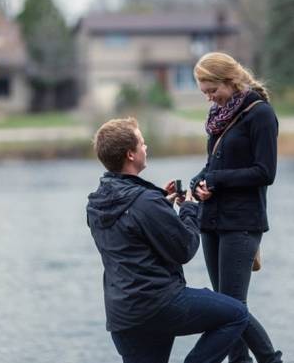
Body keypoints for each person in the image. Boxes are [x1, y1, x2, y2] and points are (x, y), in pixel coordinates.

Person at [86, 117, 249, 363]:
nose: (146, 147)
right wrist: (189, 208)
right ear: (131, 154)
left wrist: (163, 203)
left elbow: (133, 231)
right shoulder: (145, 202)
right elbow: (184, 248)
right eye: (141, 143)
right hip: (159, 305)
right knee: (236, 314)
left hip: (123, 316)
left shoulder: (96, 203)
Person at [190, 52, 283, 363]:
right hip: (211, 220)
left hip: (242, 223)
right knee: (223, 308)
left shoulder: (260, 114)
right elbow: (212, 165)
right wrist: (199, 182)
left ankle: (271, 360)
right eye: (204, 93)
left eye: (212, 91)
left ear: (229, 81)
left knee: (232, 307)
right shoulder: (221, 116)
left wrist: (216, 179)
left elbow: (265, 172)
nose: (209, 99)